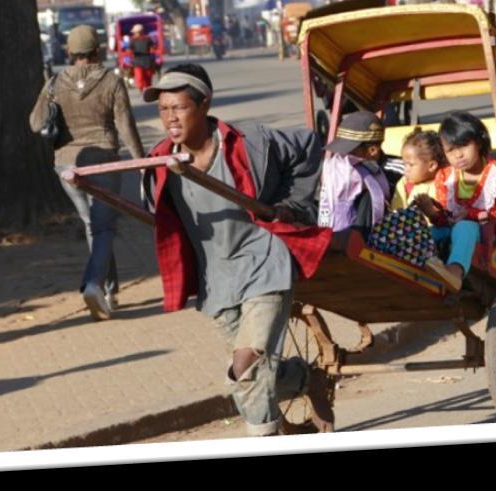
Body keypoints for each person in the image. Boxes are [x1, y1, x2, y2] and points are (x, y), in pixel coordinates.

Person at [141, 63, 333, 436]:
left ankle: (263, 439)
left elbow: (309, 148)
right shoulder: (160, 160)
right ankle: (307, 378)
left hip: (265, 262)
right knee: (258, 373)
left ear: (204, 104)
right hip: (217, 277)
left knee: (244, 365)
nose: (170, 118)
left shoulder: (250, 143)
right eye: (163, 110)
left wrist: (292, 207)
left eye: (178, 107)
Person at [29, 25, 145, 321]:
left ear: (70, 52)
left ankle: (110, 290)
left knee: (93, 225)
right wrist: (141, 164)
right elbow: (126, 127)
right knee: (103, 227)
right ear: (98, 50)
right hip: (103, 160)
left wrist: (49, 97)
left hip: (67, 165)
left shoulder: (55, 82)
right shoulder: (112, 82)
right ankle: (94, 285)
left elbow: (34, 123)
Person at [415, 112, 496, 291]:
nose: (458, 155)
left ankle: (455, 272)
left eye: (464, 145)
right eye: (451, 150)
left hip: (489, 235)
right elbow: (445, 219)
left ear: (479, 142)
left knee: (464, 227)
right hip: (452, 230)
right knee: (425, 233)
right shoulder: (445, 176)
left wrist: (471, 215)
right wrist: (431, 212)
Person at [317, 111, 391, 240]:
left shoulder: (392, 172)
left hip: (375, 236)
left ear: (372, 151)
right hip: (336, 231)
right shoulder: (339, 170)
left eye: (348, 151)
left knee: (369, 197)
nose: (341, 156)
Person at [390, 131, 446, 218]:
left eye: (411, 165)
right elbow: (396, 214)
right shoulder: (404, 184)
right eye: (404, 164)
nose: (406, 170)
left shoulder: (446, 183)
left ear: (431, 166)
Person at [129, 24, 155, 92]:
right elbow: (130, 50)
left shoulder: (147, 39)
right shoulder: (132, 40)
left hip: (147, 60)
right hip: (137, 61)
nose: (135, 33)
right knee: (139, 77)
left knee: (148, 76)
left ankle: (148, 89)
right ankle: (141, 89)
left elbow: (153, 48)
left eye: (136, 32)